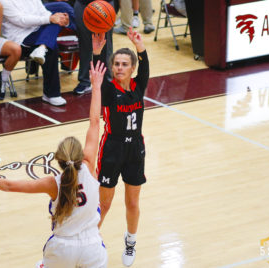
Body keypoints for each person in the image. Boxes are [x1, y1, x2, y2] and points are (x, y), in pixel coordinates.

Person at [0, 34, 107, 268]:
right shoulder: (90, 165)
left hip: (62, 248)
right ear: (80, 154)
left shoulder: (53, 182)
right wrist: (96, 85)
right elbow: (95, 122)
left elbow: (9, 186)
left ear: (59, 160)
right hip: (92, 247)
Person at [94, 28, 148, 267]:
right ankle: (90, 240)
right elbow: (97, 73)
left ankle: (130, 241)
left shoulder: (138, 86)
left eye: (125, 64)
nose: (119, 67)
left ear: (132, 68)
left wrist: (140, 46)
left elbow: (146, 66)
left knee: (133, 202)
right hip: (112, 148)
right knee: (104, 204)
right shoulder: (108, 90)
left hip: (135, 148)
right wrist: (97, 53)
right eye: (116, 63)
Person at [0, 0, 76, 106]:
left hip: (36, 29)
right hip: (20, 38)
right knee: (51, 46)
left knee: (56, 21)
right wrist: (50, 18)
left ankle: (42, 47)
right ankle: (51, 94)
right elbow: (21, 20)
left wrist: (56, 18)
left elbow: (42, 11)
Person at [72, 0, 113, 95]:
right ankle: (84, 81)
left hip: (103, 5)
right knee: (84, 45)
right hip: (82, 4)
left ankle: (107, 81)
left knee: (104, 45)